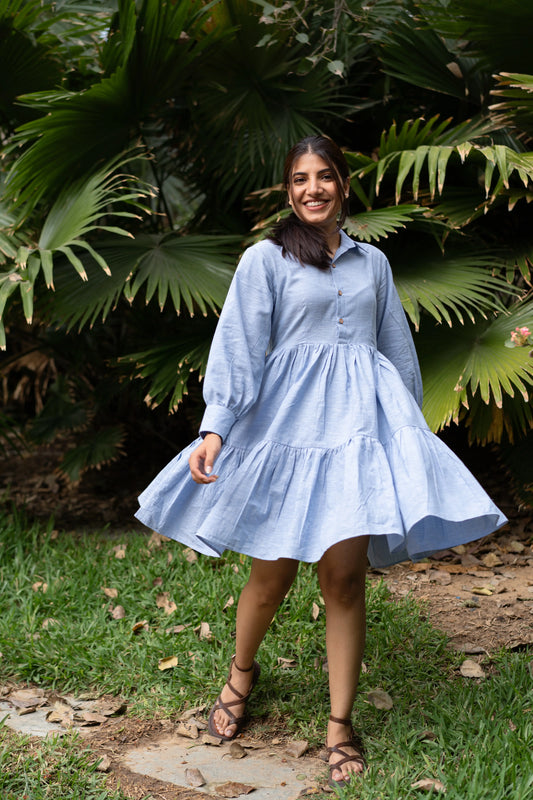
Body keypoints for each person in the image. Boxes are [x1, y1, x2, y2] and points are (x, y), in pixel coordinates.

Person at [135, 135, 507, 788]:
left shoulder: (373, 265)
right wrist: (216, 428)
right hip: (288, 433)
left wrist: (407, 441)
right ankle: (239, 677)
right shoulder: (265, 260)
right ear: (288, 191)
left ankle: (339, 722)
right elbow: (240, 347)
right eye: (301, 179)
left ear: (342, 186)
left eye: (325, 177)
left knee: (344, 579)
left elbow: (394, 350)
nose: (314, 188)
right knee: (270, 577)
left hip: (358, 436)